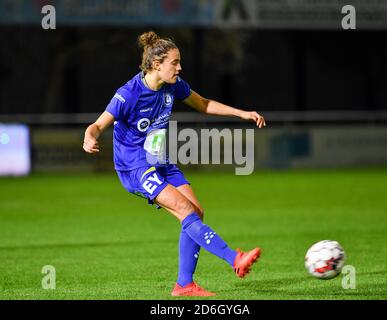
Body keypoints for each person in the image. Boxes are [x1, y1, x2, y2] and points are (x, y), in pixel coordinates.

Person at [83, 31, 266, 297]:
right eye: (175, 62)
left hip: (158, 160)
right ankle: (234, 259)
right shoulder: (128, 94)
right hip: (134, 167)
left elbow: (202, 104)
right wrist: (90, 137)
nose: (180, 67)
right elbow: (98, 124)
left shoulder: (174, 85)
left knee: (196, 212)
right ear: (156, 64)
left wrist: (242, 113)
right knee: (184, 209)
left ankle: (184, 285)